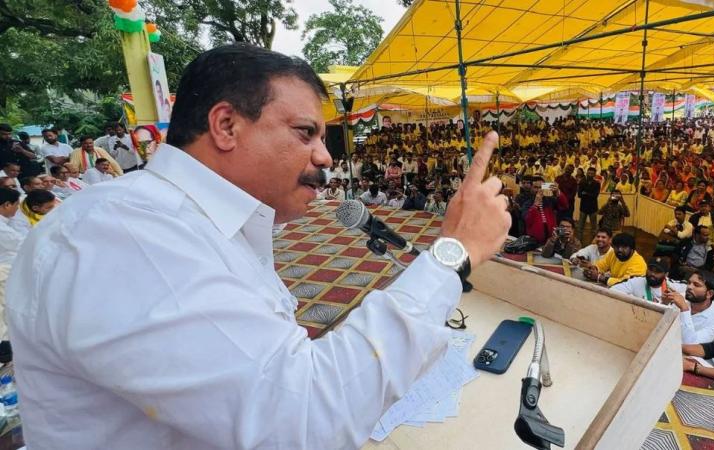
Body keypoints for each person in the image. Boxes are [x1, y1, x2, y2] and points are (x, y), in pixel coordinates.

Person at [7, 45, 512, 449]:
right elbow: (302, 418)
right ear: (226, 125)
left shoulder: (192, 223)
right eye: (306, 133)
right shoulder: (125, 232)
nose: (325, 157)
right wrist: (452, 252)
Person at [662, 270, 714, 367]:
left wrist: (684, 309)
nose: (689, 287)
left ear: (709, 294)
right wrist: (664, 304)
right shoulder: (682, 297)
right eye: (689, 283)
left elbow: (691, 347)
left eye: (696, 285)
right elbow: (663, 324)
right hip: (674, 350)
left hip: (703, 364)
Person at [0, 188, 23, 353]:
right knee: (4, 309)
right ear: (7, 205)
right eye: (16, 205)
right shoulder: (2, 228)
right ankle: (4, 346)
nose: (17, 208)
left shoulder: (5, 224)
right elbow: (21, 244)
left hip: (7, 268)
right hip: (3, 271)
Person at [610, 257, 685, 303]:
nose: (652, 274)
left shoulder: (674, 286)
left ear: (666, 274)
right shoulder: (636, 282)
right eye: (650, 269)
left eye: (657, 272)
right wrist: (632, 299)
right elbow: (612, 290)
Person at [576, 167, 600, 240]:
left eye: (592, 173)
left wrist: (585, 193)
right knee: (580, 226)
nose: (590, 175)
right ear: (586, 173)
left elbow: (595, 195)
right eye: (589, 173)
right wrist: (589, 194)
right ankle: (578, 241)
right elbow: (579, 195)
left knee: (594, 227)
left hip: (593, 207)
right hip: (583, 207)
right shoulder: (582, 182)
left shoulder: (597, 183)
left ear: (594, 174)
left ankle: (595, 242)